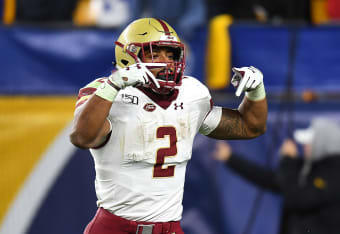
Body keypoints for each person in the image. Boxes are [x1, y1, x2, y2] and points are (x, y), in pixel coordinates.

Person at [70, 17, 268, 234]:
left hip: (169, 229)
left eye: (171, 54)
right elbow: (82, 137)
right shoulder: (107, 93)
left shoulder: (191, 94)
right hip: (116, 228)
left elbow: (251, 126)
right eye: (155, 54)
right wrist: (114, 85)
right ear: (128, 57)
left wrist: (256, 91)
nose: (166, 62)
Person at [213, 117, 340, 234]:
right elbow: (272, 180)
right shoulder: (309, 169)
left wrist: (289, 161)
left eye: (309, 143)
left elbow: (298, 198)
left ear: (323, 143)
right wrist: (231, 159)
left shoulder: (334, 173)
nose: (305, 147)